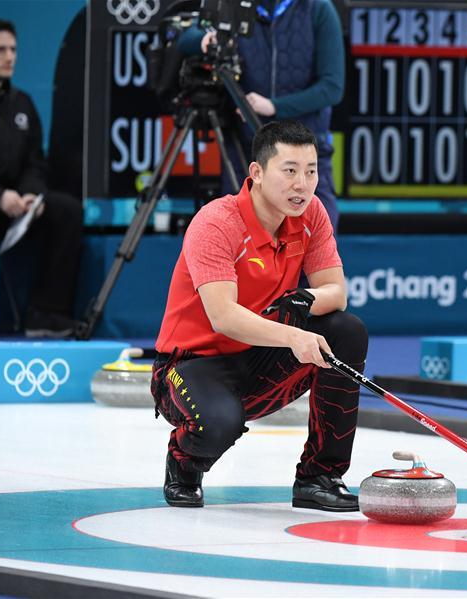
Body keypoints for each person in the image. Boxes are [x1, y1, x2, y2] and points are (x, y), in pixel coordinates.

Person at [151, 120, 368, 511]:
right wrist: (293, 335)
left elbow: (336, 294)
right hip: (188, 366)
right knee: (218, 423)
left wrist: (304, 299)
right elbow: (223, 316)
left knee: (346, 332)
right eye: (290, 171)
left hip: (258, 357)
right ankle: (184, 461)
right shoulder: (217, 222)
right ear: (257, 172)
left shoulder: (311, 214)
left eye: (311, 171)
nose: (302, 184)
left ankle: (319, 476)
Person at [0, 19, 83, 339]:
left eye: (13, 49)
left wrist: (32, 195)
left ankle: (45, 313)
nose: (9, 57)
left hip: (15, 206)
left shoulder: (22, 103)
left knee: (66, 210)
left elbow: (35, 161)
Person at [181, 0, 344, 232]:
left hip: (304, 153)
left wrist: (274, 106)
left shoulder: (317, 8)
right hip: (247, 151)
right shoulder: (235, 5)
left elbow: (332, 87)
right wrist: (205, 40)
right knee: (238, 243)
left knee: (315, 244)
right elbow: (187, 38)